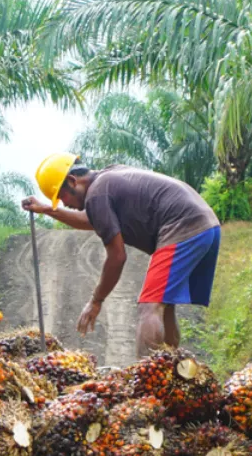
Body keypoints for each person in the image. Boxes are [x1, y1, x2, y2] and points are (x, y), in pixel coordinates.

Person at [22, 152, 220, 356]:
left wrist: (96, 301)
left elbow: (117, 257)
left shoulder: (97, 194)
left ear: (72, 181)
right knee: (164, 304)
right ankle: (173, 369)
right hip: (206, 225)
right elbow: (93, 220)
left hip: (184, 226)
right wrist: (47, 210)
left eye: (61, 196)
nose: (63, 203)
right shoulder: (107, 178)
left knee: (149, 307)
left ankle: (147, 374)